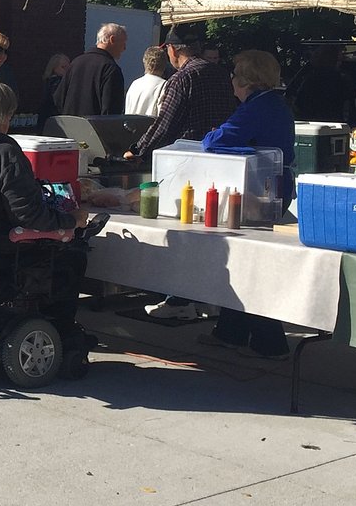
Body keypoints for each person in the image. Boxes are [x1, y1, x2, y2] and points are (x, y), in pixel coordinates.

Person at [0, 77, 90, 330]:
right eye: (9, 115)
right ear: (0, 116)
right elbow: (30, 216)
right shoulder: (3, 152)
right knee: (73, 254)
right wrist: (73, 220)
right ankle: (60, 331)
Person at [123, 22, 238, 321]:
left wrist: (136, 149)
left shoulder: (182, 78)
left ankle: (179, 300)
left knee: (182, 231)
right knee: (210, 233)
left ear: (172, 50)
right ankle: (208, 298)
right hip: (220, 163)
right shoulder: (220, 73)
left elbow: (165, 125)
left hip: (185, 163)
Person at [199, 50, 296, 359]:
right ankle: (231, 332)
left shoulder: (256, 107)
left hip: (259, 193)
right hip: (275, 188)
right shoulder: (275, 104)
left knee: (253, 264)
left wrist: (211, 134)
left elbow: (216, 141)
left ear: (245, 81)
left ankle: (270, 341)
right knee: (247, 261)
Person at [54, 23, 127, 116]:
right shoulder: (110, 69)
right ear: (112, 40)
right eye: (123, 43)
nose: (124, 48)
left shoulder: (75, 63)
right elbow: (111, 112)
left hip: (69, 127)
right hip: (94, 128)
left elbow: (58, 100)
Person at [285, 45, 354, 124]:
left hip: (308, 120)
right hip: (333, 120)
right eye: (339, 60)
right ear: (332, 60)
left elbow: (294, 95)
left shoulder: (308, 74)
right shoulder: (338, 77)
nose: (341, 63)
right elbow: (350, 95)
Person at [125, 45, 170, 116]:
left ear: (144, 62)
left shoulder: (135, 84)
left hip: (131, 125)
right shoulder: (164, 85)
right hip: (150, 126)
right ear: (165, 63)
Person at [36, 53, 70, 131]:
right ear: (54, 68)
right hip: (55, 121)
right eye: (63, 67)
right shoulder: (56, 83)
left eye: (69, 67)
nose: (67, 70)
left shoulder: (47, 82)